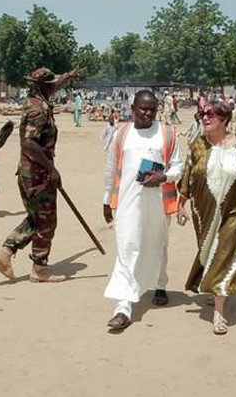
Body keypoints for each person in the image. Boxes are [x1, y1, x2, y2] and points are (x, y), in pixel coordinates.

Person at [177, 101, 236, 335]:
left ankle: (219, 310)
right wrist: (181, 202)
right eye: (202, 115)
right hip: (203, 213)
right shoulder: (197, 145)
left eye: (209, 114)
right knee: (209, 253)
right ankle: (214, 288)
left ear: (224, 119)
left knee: (226, 254)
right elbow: (187, 174)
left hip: (233, 211)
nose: (204, 118)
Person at [102, 90, 182, 332]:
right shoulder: (121, 134)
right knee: (126, 248)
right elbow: (111, 169)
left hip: (158, 202)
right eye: (142, 108)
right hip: (127, 203)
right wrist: (107, 199)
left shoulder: (167, 134)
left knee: (158, 244)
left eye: (151, 109)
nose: (147, 113)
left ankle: (160, 284)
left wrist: (164, 176)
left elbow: (178, 166)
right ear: (133, 108)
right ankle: (123, 308)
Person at [0, 67, 78, 283]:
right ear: (43, 87)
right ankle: (39, 268)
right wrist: (51, 169)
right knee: (46, 221)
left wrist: (67, 76)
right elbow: (29, 143)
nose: (53, 87)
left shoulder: (37, 100)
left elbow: (54, 86)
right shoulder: (37, 110)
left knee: (36, 218)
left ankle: (6, 252)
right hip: (37, 174)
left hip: (31, 172)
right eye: (51, 85)